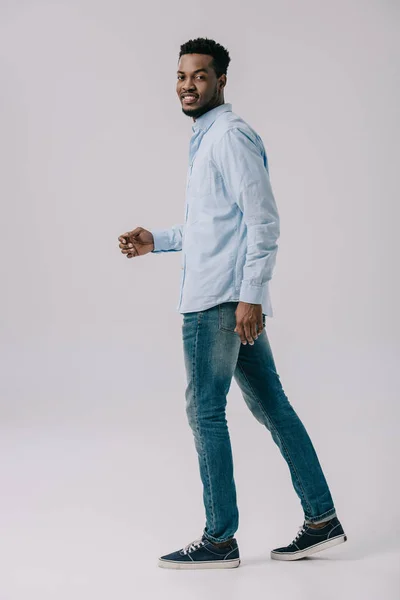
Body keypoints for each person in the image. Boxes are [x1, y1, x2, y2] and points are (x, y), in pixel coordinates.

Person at [118, 37, 347, 570]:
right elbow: (211, 227)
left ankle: (219, 539)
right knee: (272, 407)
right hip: (225, 296)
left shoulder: (229, 137)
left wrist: (251, 296)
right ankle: (323, 519)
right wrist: (157, 239)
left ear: (222, 80)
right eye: (181, 76)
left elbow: (263, 222)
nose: (187, 85)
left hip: (218, 302)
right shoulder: (207, 138)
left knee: (205, 413)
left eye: (199, 76)